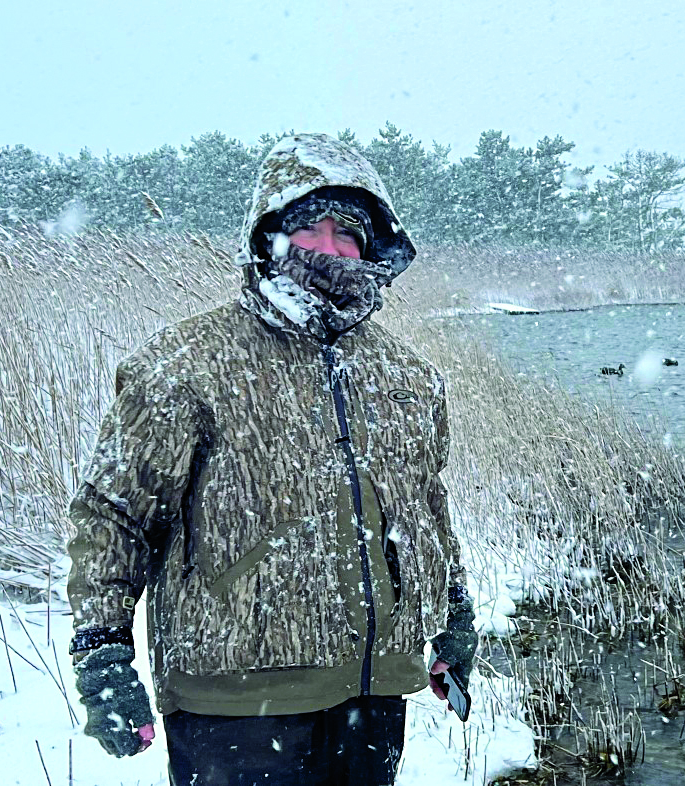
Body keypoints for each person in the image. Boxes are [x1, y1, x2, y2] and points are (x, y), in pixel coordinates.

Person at [65, 132, 478, 786]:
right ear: (269, 235)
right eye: (310, 224)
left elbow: (425, 508)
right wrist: (103, 653)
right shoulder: (187, 365)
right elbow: (113, 515)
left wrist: (453, 615)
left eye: (351, 231)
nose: (332, 246)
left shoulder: (409, 375)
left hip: (372, 694)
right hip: (234, 706)